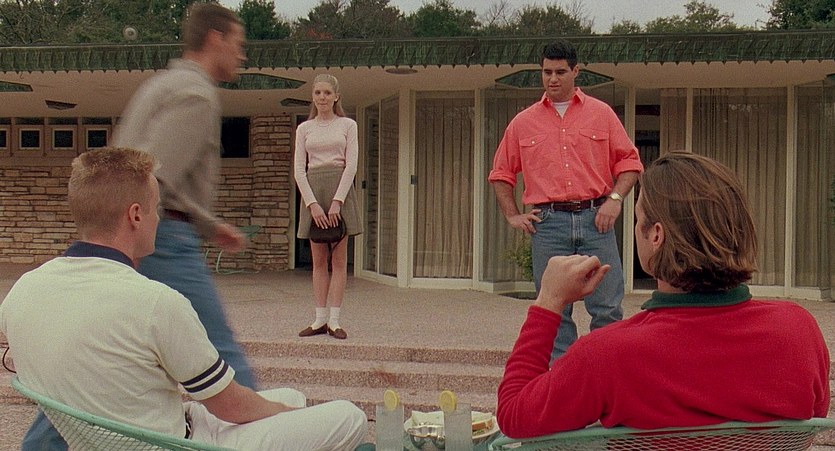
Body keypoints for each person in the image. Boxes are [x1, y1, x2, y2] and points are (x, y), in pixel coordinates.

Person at [0, 148, 368, 450]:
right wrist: (287, 417)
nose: (159, 220)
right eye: (157, 208)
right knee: (348, 417)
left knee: (293, 397)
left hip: (129, 432)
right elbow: (230, 406)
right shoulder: (155, 303)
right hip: (177, 444)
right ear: (136, 215)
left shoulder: (22, 292)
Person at [496, 152, 830, 439]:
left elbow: (513, 416)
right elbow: (808, 422)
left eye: (638, 219)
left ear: (656, 235)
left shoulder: (608, 354)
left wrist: (549, 301)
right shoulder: (798, 330)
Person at [112, 2, 257, 387]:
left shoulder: (159, 84)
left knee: (108, 356)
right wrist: (203, 225)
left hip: (131, 232)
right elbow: (150, 178)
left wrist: (209, 226)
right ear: (215, 38)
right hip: (162, 240)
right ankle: (264, 423)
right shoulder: (196, 94)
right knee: (220, 354)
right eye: (238, 44)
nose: (242, 55)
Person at [488, 39, 644, 361]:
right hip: (548, 225)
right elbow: (501, 173)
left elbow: (630, 162)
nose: (553, 79)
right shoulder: (523, 122)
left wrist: (615, 199)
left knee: (607, 308)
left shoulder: (601, 114)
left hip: (597, 220)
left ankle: (605, 378)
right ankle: (564, 381)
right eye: (547, 72)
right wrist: (512, 215)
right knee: (555, 312)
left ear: (576, 71)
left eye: (560, 72)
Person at [294, 74, 361, 340]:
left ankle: (334, 320)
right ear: (313, 96)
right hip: (313, 192)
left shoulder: (348, 125)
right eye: (318, 93)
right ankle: (319, 318)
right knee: (319, 260)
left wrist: (337, 202)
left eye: (327, 93)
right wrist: (312, 204)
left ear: (336, 96)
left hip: (339, 190)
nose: (322, 97)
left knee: (339, 260)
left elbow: (351, 165)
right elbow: (299, 170)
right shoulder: (304, 129)